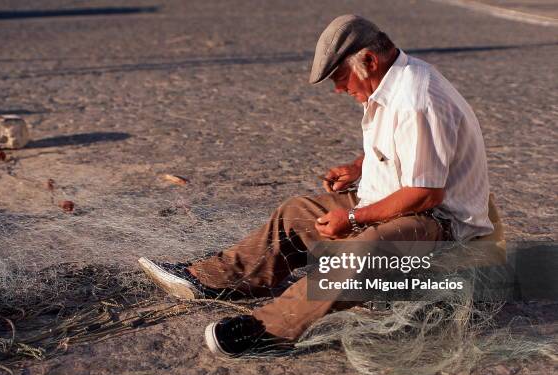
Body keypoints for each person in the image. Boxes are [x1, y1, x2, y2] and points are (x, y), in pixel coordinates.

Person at [139, 14, 494, 356]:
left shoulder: (417, 100)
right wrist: (359, 167)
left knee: (363, 250)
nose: (338, 89)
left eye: (339, 76)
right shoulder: (389, 87)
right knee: (297, 212)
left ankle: (267, 330)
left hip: (440, 223)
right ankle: (215, 278)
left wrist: (354, 220)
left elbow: (425, 193)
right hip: (397, 200)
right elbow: (406, 153)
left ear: (369, 60)